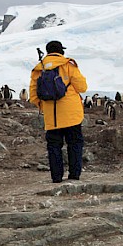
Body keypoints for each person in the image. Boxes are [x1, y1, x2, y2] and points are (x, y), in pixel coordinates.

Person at [29, 40, 88, 183]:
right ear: (61, 51)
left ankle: (56, 177)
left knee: (54, 146)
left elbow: (33, 95)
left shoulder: (39, 69)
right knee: (74, 143)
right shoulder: (68, 65)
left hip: (52, 117)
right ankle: (74, 175)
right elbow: (82, 87)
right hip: (72, 114)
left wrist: (44, 107)